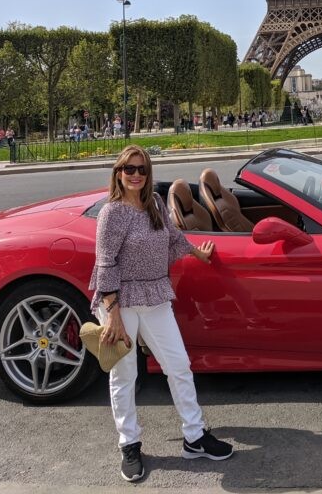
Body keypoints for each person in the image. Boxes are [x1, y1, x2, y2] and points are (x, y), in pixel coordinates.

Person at [91, 145, 234, 482]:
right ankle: (129, 443)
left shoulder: (154, 203)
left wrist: (196, 254)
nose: (136, 175)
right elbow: (105, 263)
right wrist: (112, 316)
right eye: (129, 169)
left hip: (154, 296)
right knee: (124, 376)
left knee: (178, 365)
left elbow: (172, 236)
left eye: (141, 169)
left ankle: (194, 436)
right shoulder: (111, 213)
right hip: (119, 301)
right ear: (118, 173)